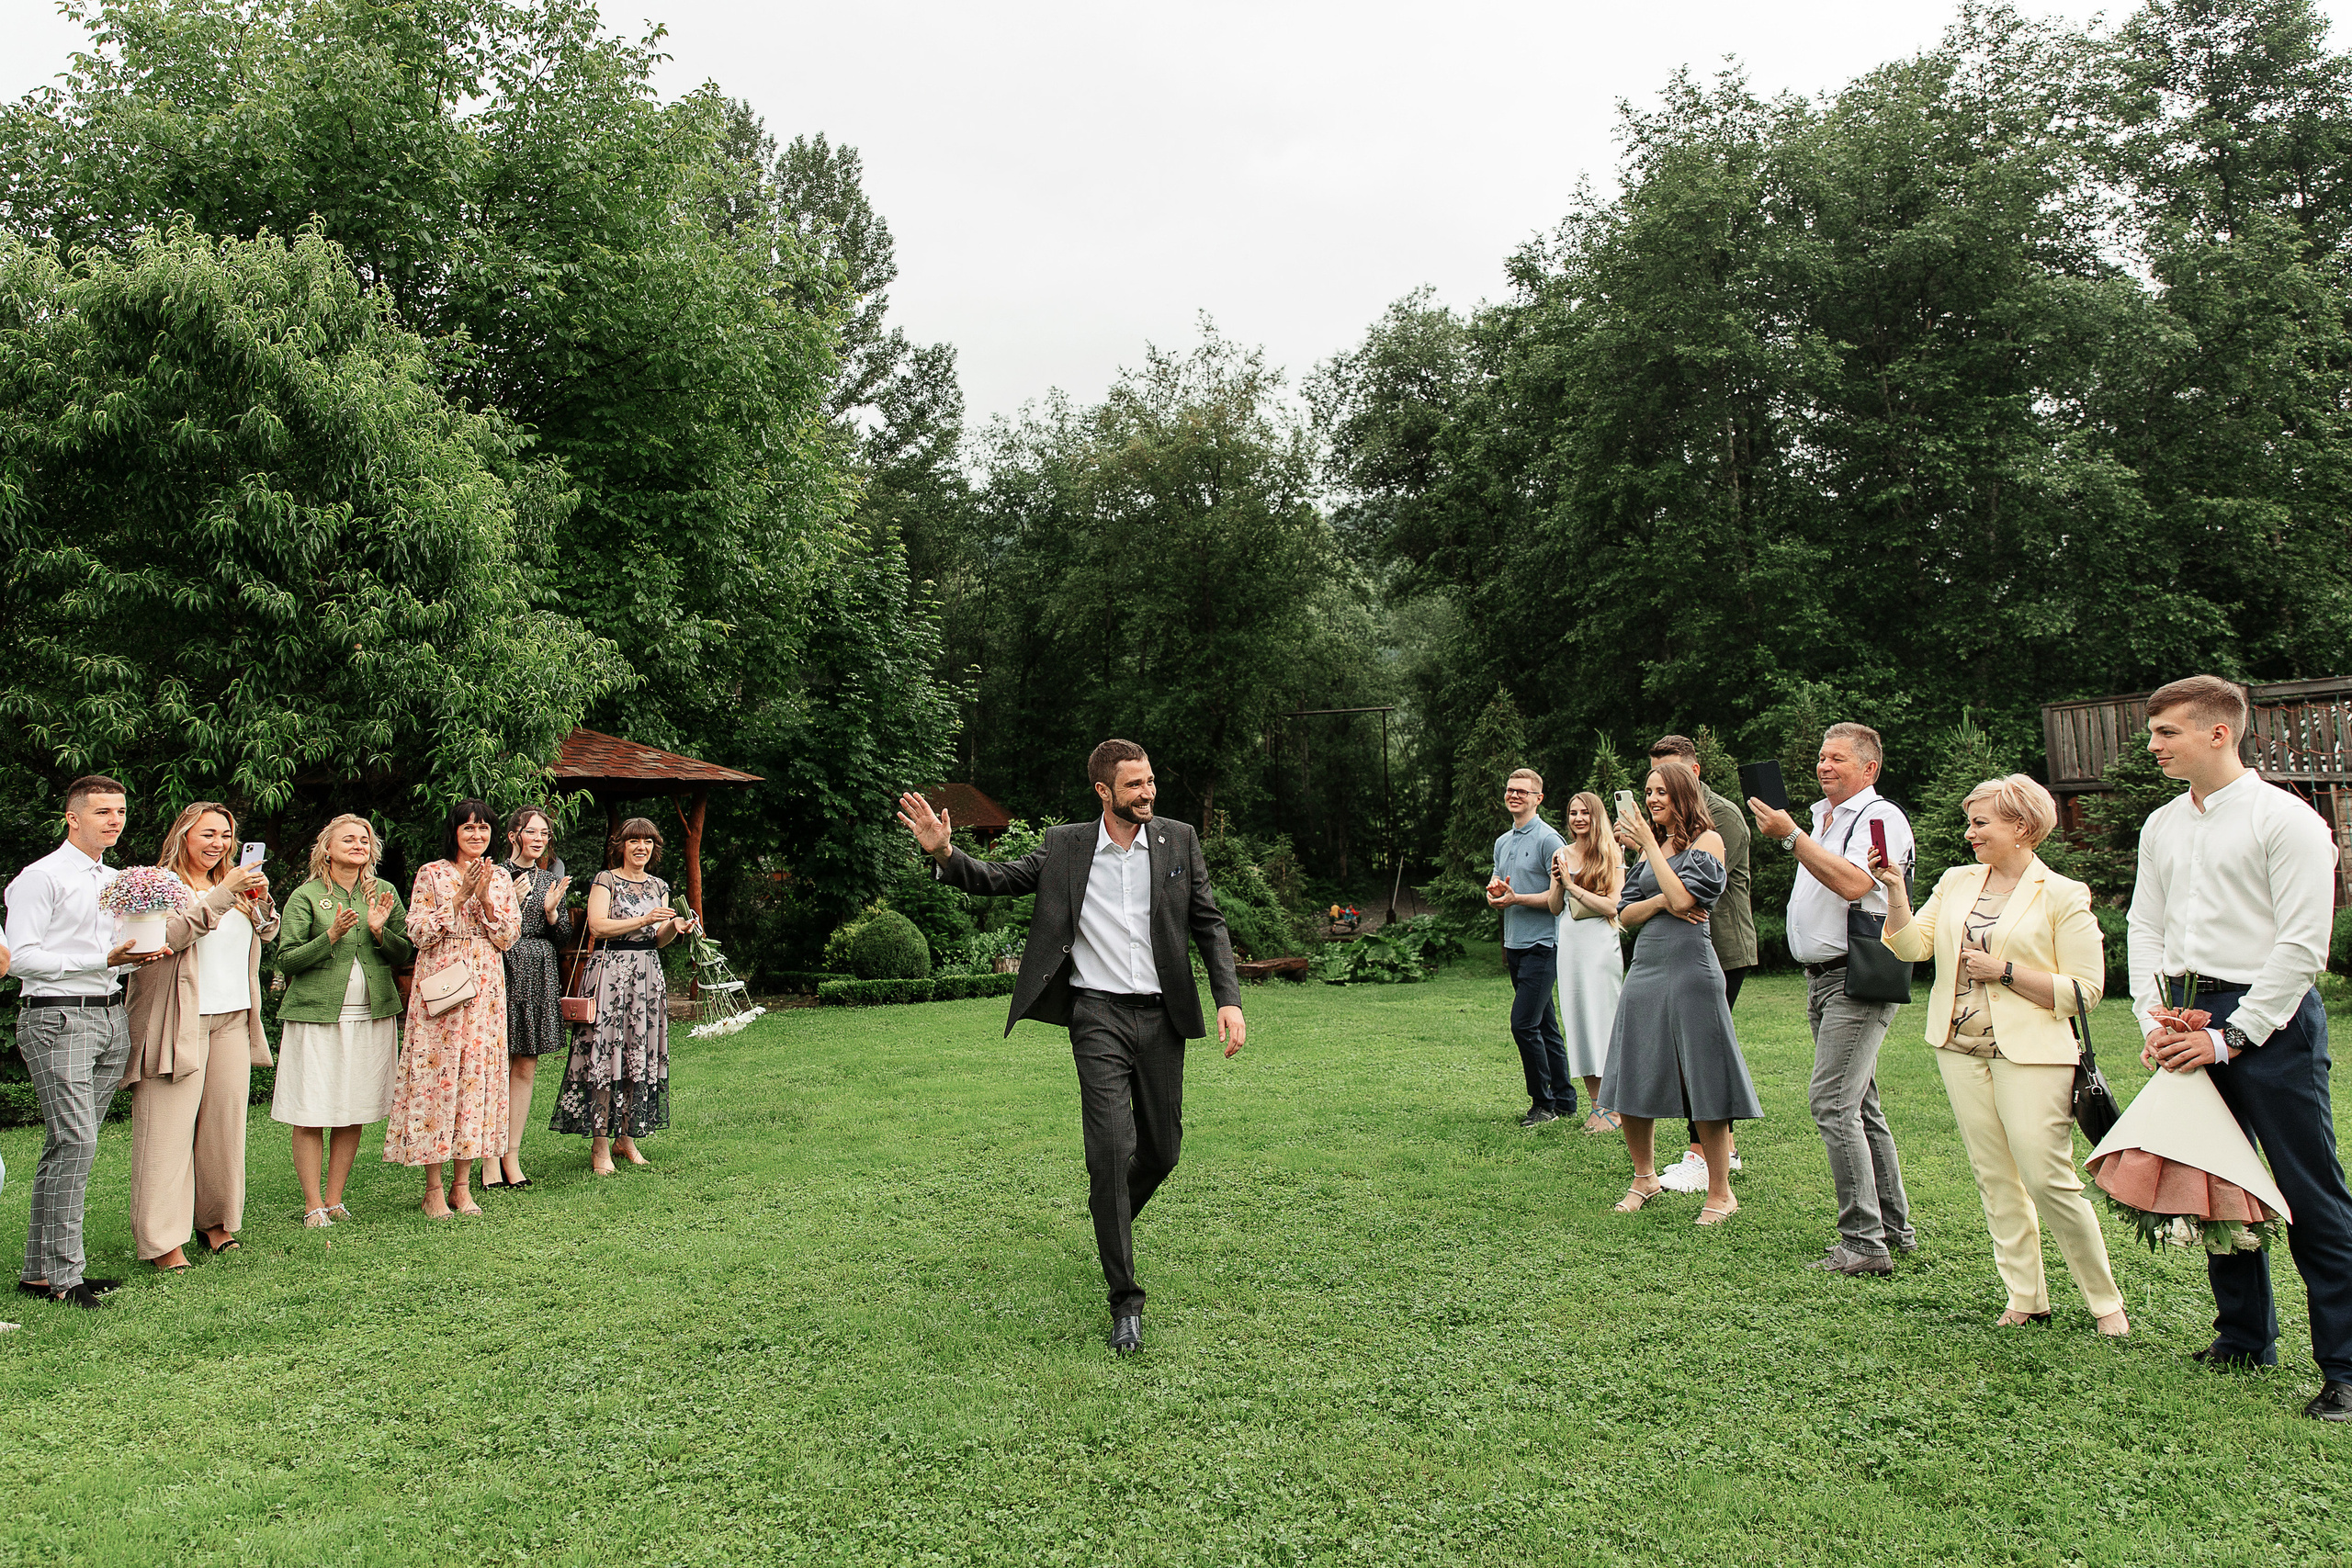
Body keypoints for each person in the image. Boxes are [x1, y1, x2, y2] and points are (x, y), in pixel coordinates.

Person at [896, 739, 1246, 1355]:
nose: (1148, 792)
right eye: (1134, 784)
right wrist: (946, 852)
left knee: (1162, 1152)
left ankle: (1109, 1213)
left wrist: (1228, 997)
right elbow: (999, 878)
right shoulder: (1066, 846)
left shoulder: (1179, 840)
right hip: (1097, 1015)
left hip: (1162, 1017)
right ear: (1103, 791)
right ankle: (1125, 1301)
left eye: (1150, 781)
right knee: (1109, 1151)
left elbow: (1208, 921)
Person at [2129, 675, 2350, 1421]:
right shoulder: (2161, 824)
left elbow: (2302, 947)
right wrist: (2154, 1020)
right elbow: (2144, 926)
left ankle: (2346, 1368)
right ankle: (2245, 1337)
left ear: (2218, 732)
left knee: (2310, 1193)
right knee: (2216, 1180)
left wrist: (2230, 1037)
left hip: (2272, 1020)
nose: (2153, 745)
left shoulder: (2286, 821)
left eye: (2167, 732)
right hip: (2186, 1008)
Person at [1877, 775, 2127, 1335]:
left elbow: (2085, 991)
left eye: (1980, 823)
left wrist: (2005, 972)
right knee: (1995, 1178)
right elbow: (1913, 947)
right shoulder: (1956, 881)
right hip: (1959, 1049)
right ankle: (2025, 1298)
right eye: (1970, 823)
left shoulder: (2063, 894)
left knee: (2046, 1177)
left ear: (2021, 826)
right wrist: (1894, 890)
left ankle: (2105, 1303)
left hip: (2034, 1055)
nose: (1970, 833)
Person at [1749, 722, 1918, 1277]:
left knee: (1833, 1102)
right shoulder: (1826, 817)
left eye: (1838, 759)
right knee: (1860, 1103)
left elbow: (1855, 885)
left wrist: (1791, 836)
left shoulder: (1879, 818)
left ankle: (1864, 1243)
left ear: (1870, 768)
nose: (1824, 766)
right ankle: (1893, 1228)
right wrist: (1799, 832)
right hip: (1823, 979)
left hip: (1857, 977)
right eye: (1822, 757)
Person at [5, 775, 168, 1309]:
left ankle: (39, 1273)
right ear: (72, 818)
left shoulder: (118, 880)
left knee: (69, 1144)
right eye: (102, 812)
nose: (115, 820)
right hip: (57, 1017)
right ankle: (64, 1277)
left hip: (109, 1015)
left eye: (120, 811)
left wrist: (140, 955)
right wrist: (103, 959)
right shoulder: (40, 878)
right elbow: (18, 958)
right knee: (76, 1142)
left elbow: (116, 951)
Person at [1600, 761, 1760, 1225]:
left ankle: (1721, 1192)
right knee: (1633, 1069)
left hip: (1692, 969)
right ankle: (1644, 1178)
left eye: (1661, 792)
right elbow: (1625, 914)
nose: (1651, 800)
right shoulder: (1658, 848)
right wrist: (1658, 901)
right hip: (1646, 967)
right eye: (1648, 791)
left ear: (1683, 796)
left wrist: (1651, 852)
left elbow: (1687, 900)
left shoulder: (1708, 841)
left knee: (1704, 1076)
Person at [125, 804, 279, 1271]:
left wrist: (260, 904)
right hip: (178, 1019)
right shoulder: (158, 885)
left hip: (232, 1018)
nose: (219, 843)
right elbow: (162, 940)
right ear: (184, 835)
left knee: (223, 1129)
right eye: (208, 834)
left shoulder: (231, 883)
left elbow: (266, 934)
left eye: (226, 835)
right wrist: (222, 894)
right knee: (166, 1133)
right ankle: (162, 1242)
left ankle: (215, 1221)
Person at [272, 815, 411, 1226]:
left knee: (354, 1109)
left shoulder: (383, 892)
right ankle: (312, 1204)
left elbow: (405, 953)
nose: (358, 844)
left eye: (364, 839)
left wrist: (381, 933)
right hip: (316, 1018)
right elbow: (286, 959)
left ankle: (335, 1200)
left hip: (371, 1016)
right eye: (348, 839)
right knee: (312, 1110)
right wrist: (330, 936)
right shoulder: (307, 895)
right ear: (327, 849)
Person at [384, 798, 519, 1219]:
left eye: (484, 828)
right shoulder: (431, 873)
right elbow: (418, 933)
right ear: (454, 833)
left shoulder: (500, 876)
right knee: (438, 1080)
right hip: (442, 981)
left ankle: (463, 1187)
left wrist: (487, 901)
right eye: (468, 828)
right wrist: (460, 898)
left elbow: (509, 937)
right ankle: (434, 1189)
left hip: (485, 988)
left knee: (475, 1081)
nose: (477, 835)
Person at [1646, 736, 1755, 1192]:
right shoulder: (1665, 825)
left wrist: (1664, 890)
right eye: (1654, 779)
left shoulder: (1719, 817)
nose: (1659, 789)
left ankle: (1708, 1156)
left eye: (1668, 777)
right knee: (1686, 1051)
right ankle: (1716, 1149)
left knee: (1704, 1054)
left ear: (1692, 772)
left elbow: (1692, 890)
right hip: (1681, 946)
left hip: (1721, 946)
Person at [550, 818, 688, 1176]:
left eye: (648, 842)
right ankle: (599, 1147)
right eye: (634, 841)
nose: (641, 847)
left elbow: (658, 938)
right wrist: (644, 919)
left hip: (647, 977)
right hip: (610, 974)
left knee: (637, 1053)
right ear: (621, 846)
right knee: (604, 1054)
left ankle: (626, 1139)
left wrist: (675, 926)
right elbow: (597, 926)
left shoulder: (659, 885)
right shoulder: (606, 880)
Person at [488, 807, 571, 1191]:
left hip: (539, 970)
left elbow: (564, 937)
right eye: (531, 832)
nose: (539, 839)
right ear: (512, 835)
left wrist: (552, 914)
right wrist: (513, 904)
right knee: (495, 1065)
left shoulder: (549, 879)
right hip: (501, 967)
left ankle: (512, 1155)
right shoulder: (493, 875)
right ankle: (488, 1157)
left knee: (525, 1065)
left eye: (544, 833)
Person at [1485, 768, 1572, 1127]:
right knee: (1545, 1025)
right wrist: (1495, 893)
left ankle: (1543, 1104)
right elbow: (1498, 882)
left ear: (1538, 798)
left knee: (1523, 1025)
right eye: (1510, 790)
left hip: (1543, 945)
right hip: (1515, 945)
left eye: (1522, 791)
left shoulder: (1550, 840)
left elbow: (1558, 899)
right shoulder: (1503, 841)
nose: (1514, 795)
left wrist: (1516, 898)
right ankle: (1565, 1100)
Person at [1546, 791, 1624, 1133]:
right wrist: (1558, 884)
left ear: (1596, 816)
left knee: (1603, 1020)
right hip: (1570, 943)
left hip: (1600, 943)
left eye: (1585, 813)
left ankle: (1615, 1107)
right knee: (1578, 1019)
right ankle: (1597, 1107)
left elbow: (1613, 907)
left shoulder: (1612, 852)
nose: (1578, 818)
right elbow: (1554, 907)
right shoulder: (1561, 853)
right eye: (1572, 812)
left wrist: (1572, 885)